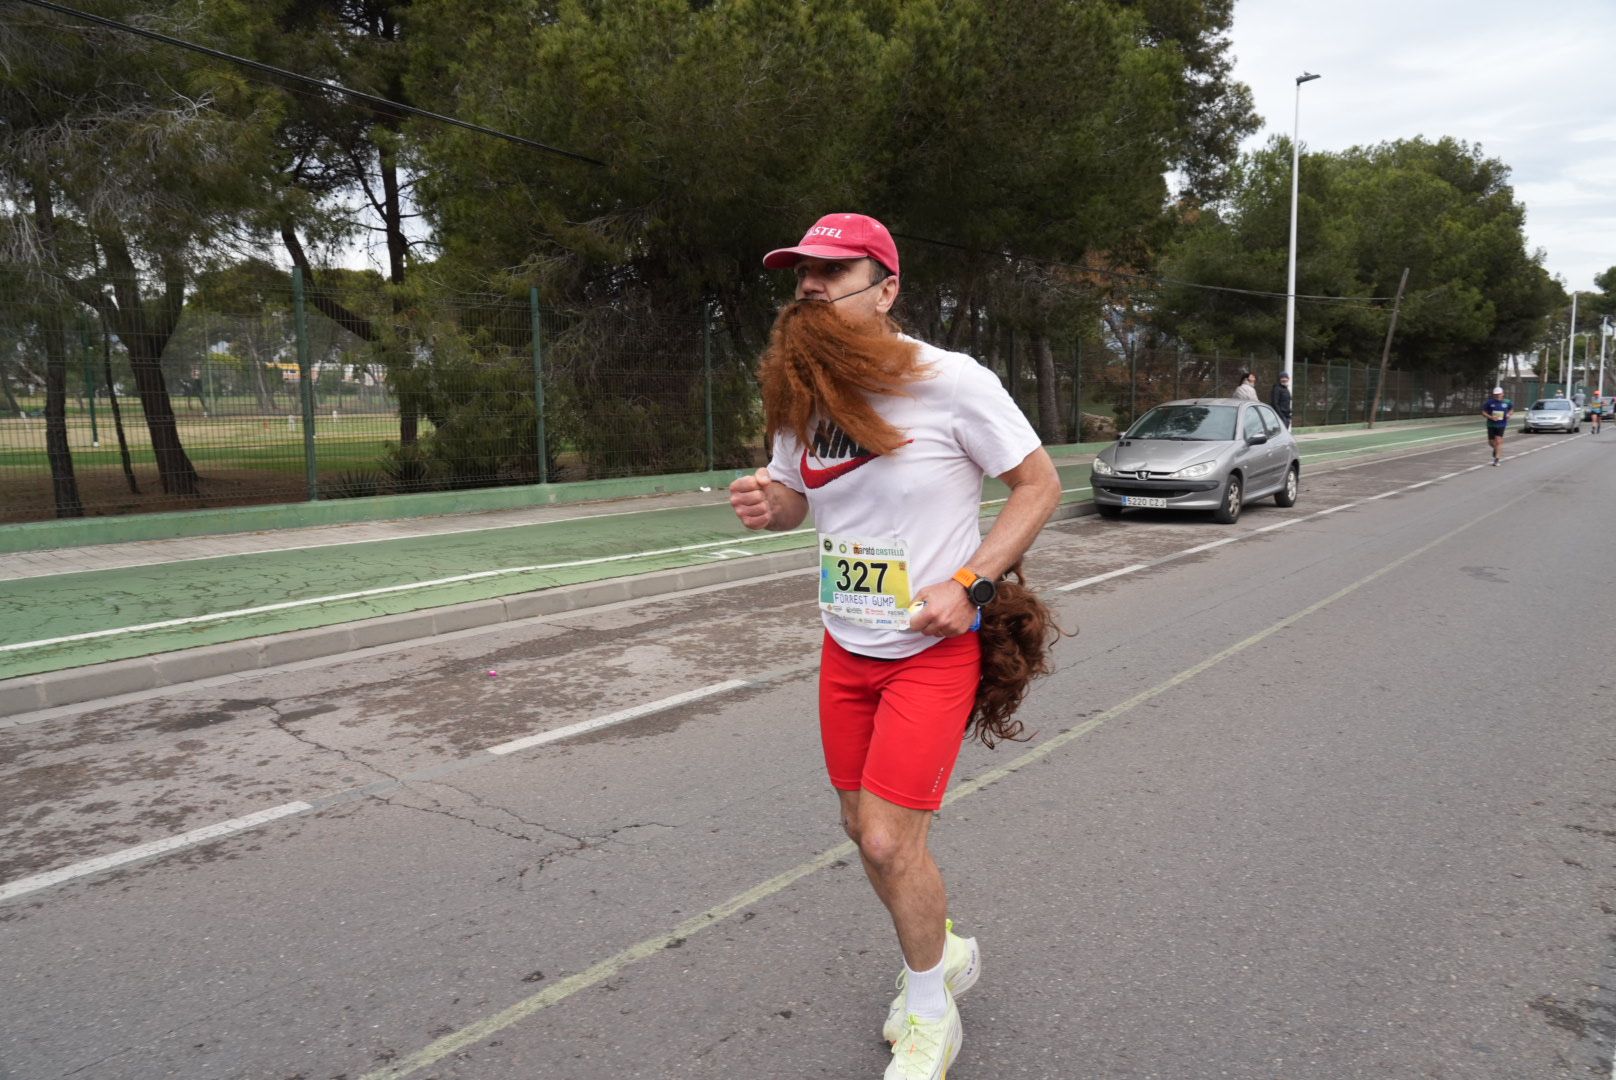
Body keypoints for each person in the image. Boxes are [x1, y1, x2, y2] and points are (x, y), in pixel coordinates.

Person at [729, 212, 1062, 1080]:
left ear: (886, 287)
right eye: (800, 274)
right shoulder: (803, 386)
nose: (807, 288)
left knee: (886, 840)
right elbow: (801, 495)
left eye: (829, 273)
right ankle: (941, 948)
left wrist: (974, 584)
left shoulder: (952, 382)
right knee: (859, 825)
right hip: (846, 647)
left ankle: (929, 1012)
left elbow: (1039, 484)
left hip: (929, 649)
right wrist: (775, 505)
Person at [1482, 386, 1512, 464]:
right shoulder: (1489, 402)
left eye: (1499, 394)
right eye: (1496, 394)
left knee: (1498, 441)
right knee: (1491, 442)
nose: (1497, 395)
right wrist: (1491, 417)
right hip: (1491, 424)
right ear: (1493, 395)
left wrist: (1508, 414)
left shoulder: (1507, 402)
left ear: (1502, 394)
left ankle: (1497, 459)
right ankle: (1496, 449)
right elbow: (1483, 412)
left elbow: (1511, 410)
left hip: (1501, 424)